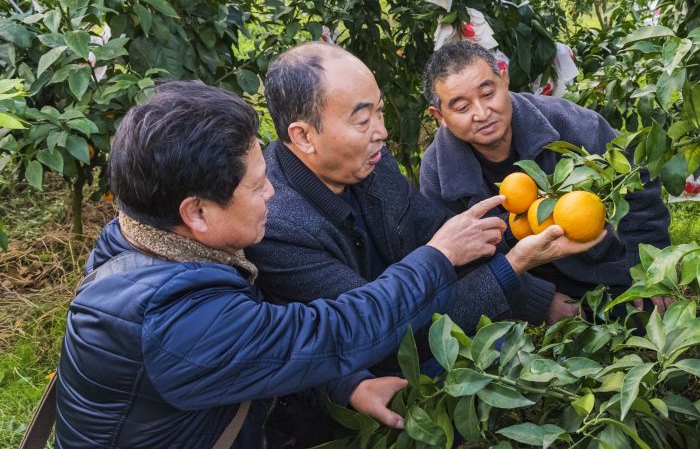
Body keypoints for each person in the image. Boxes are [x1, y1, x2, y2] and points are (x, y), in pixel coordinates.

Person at [55, 81, 515, 448]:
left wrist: (346, 385)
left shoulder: (140, 236)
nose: (271, 194)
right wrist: (438, 257)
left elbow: (265, 343)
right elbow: (331, 331)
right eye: (256, 188)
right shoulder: (174, 317)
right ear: (195, 212)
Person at [245, 42, 604, 446]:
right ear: (304, 136)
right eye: (364, 121)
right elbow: (382, 340)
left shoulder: (372, 167)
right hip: (363, 397)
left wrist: (534, 225)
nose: (382, 131)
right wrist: (511, 266)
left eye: (379, 112)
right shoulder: (277, 225)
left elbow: (447, 232)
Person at [419, 41, 671, 314]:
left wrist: (645, 262)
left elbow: (635, 176)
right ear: (440, 116)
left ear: (504, 79)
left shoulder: (567, 122)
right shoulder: (437, 172)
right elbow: (459, 263)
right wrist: (539, 301)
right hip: (515, 293)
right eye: (462, 107)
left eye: (488, 93)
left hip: (600, 267)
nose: (482, 114)